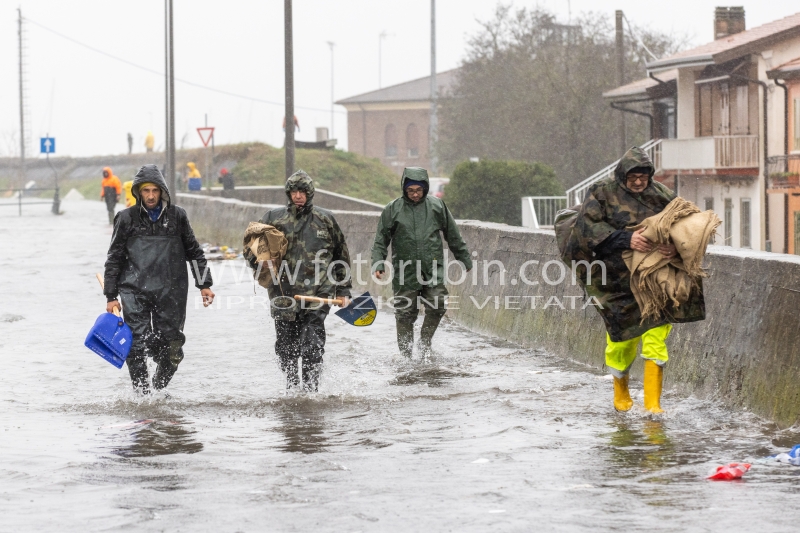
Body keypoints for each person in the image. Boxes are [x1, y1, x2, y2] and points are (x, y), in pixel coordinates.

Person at [567, 146, 705, 413]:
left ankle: (653, 406)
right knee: (622, 342)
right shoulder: (602, 192)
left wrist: (676, 247)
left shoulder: (662, 195)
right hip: (616, 282)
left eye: (644, 176)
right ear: (622, 175)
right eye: (633, 177)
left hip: (656, 281)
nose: (639, 182)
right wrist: (625, 238)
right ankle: (621, 393)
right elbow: (586, 229)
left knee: (656, 337)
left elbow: (688, 223)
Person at [103, 165, 215, 394]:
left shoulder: (177, 216)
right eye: (146, 191)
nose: (151, 196)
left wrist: (204, 284)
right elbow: (114, 257)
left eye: (155, 190)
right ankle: (142, 397)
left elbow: (194, 251)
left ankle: (157, 388)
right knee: (135, 345)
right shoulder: (126, 218)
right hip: (134, 290)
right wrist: (111, 295)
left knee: (173, 348)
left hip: (171, 291)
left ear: (162, 191)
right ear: (138, 193)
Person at [247, 170, 351, 392]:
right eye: (294, 191)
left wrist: (344, 290)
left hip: (318, 292)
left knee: (313, 345)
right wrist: (260, 264)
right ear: (288, 193)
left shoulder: (325, 220)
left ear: (310, 193)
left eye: (302, 191)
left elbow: (341, 257)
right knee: (286, 348)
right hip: (283, 293)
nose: (298, 196)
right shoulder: (273, 219)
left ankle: (311, 393)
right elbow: (251, 248)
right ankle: (292, 389)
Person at [371, 167, 472, 358]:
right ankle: (406, 356)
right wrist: (378, 263)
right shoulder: (392, 209)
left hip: (432, 268)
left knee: (438, 304)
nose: (415, 194)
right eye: (411, 191)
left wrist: (463, 257)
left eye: (419, 190)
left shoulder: (437, 206)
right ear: (404, 189)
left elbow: (453, 234)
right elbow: (380, 240)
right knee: (404, 313)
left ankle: (425, 342)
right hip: (405, 270)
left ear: (425, 189)